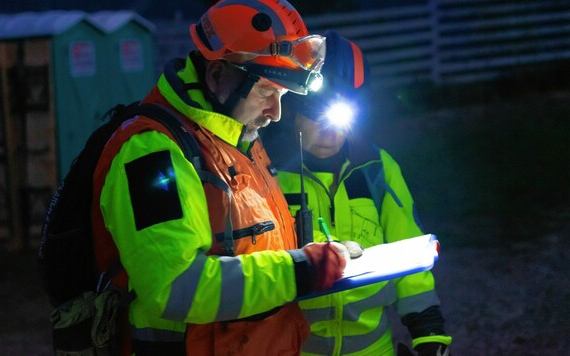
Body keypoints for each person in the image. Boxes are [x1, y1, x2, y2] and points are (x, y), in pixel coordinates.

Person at [89, 1, 348, 355]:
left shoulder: (238, 139)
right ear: (217, 75)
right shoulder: (150, 154)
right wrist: (300, 271)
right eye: (266, 92)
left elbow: (255, 244)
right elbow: (175, 286)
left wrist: (321, 252)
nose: (276, 113)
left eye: (283, 95)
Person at [261, 30, 453, 355]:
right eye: (315, 114)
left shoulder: (377, 168)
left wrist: (429, 335)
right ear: (292, 107)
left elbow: (408, 251)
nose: (329, 131)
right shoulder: (267, 173)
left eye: (340, 116)